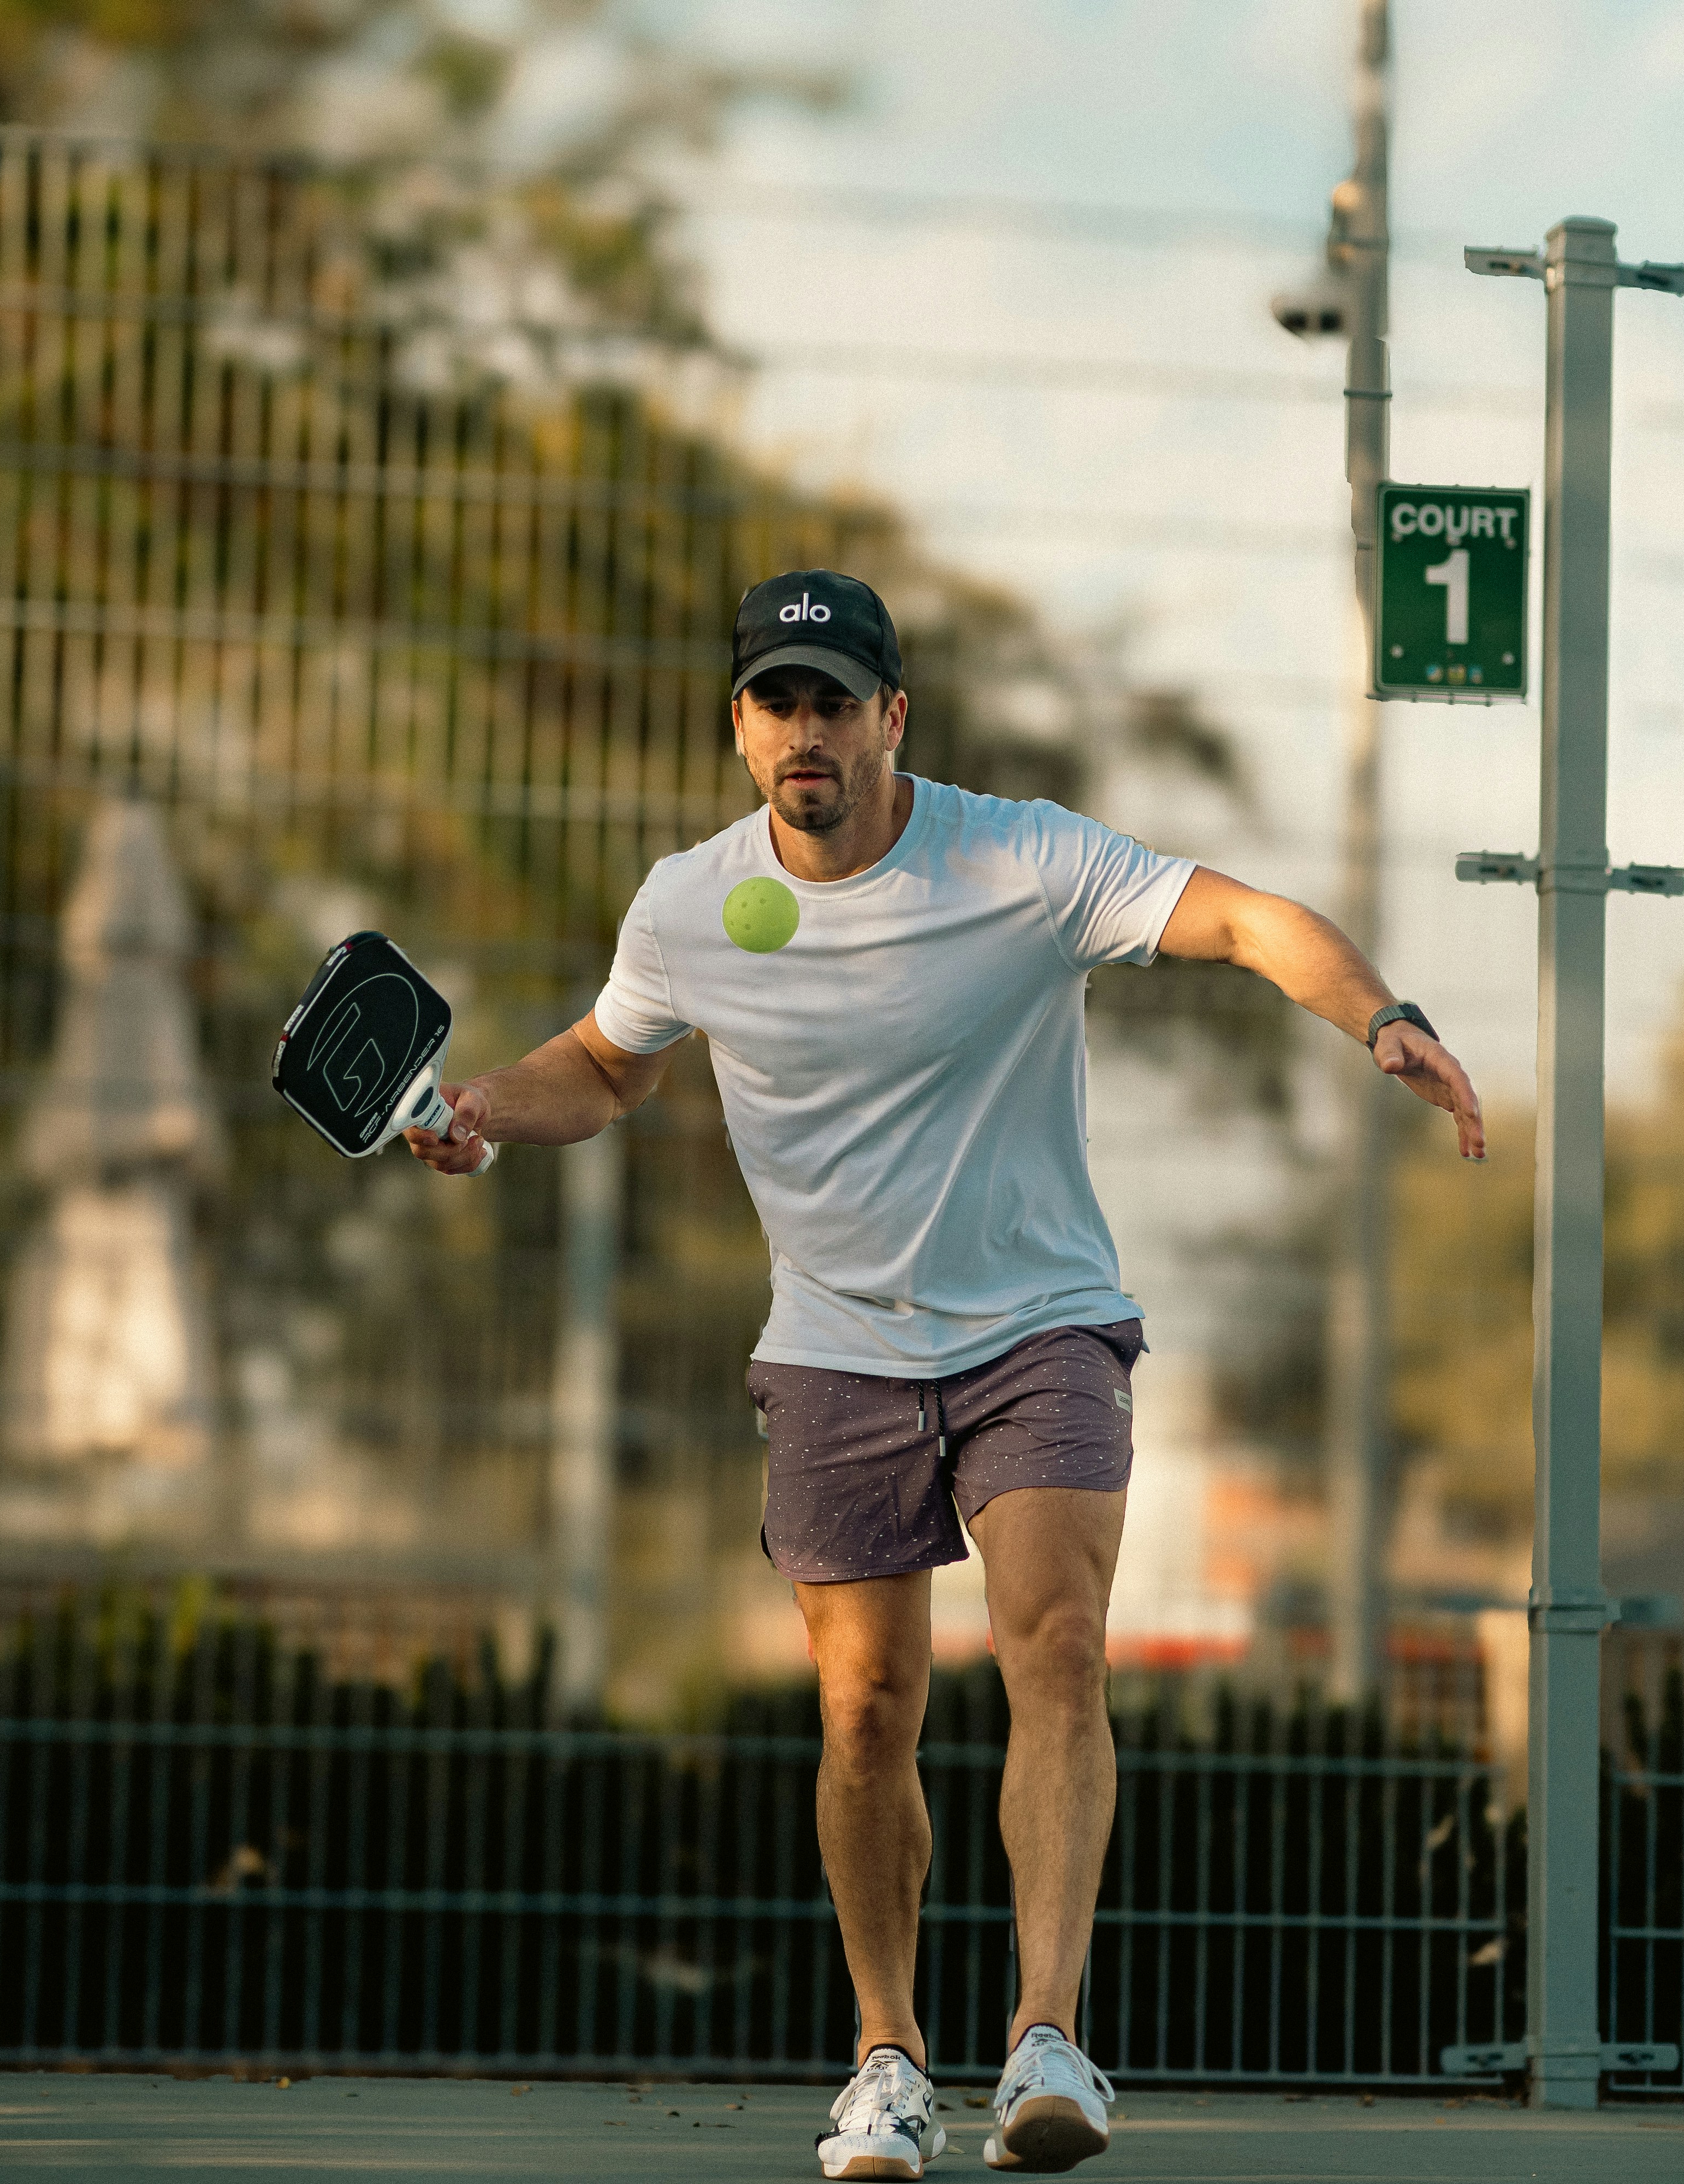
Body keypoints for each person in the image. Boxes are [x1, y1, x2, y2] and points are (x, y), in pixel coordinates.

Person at [407, 569, 1481, 2178]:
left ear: (894, 718)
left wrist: (1378, 1015)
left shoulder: (1022, 859)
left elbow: (1248, 920)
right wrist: (489, 1103)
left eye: (837, 698)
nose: (806, 730)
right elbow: (609, 1064)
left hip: (1038, 1324)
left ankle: (1047, 2037)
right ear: (741, 724)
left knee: (1055, 1640)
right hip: (833, 1348)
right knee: (866, 1710)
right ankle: (888, 2059)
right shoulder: (690, 902)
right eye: (778, 700)